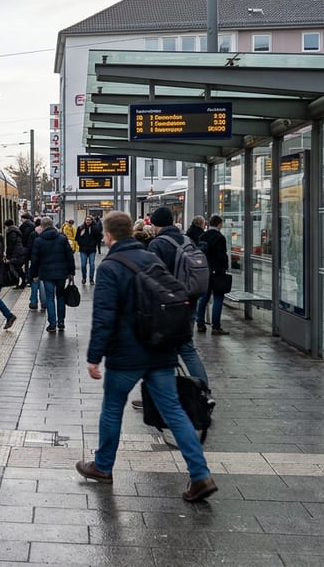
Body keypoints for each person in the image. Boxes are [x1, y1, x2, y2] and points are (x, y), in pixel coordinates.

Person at [75, 210, 217, 502]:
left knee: (113, 408)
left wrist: (93, 357)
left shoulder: (110, 267)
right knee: (175, 412)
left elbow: (104, 316)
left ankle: (102, 466)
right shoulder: (152, 258)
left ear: (109, 235)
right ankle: (200, 475)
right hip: (160, 349)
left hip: (126, 356)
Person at [145, 206, 212, 396]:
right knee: (187, 348)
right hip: (189, 300)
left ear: (156, 224)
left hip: (168, 306)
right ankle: (204, 392)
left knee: (160, 349)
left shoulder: (157, 244)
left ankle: (160, 397)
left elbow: (154, 278)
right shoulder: (186, 239)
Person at [29, 217, 75, 331]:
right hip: (61, 273)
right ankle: (61, 322)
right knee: (60, 296)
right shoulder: (62, 238)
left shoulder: (38, 241)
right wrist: (71, 272)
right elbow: (70, 256)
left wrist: (34, 274)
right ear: (53, 225)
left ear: (42, 226)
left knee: (50, 297)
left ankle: (52, 324)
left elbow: (34, 260)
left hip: (46, 273)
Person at [197, 214, 230, 335]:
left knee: (204, 298)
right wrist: (224, 267)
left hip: (205, 270)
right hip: (217, 271)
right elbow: (222, 256)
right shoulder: (219, 237)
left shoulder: (203, 236)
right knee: (218, 298)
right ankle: (216, 326)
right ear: (219, 224)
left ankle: (200, 323)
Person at [74, 216, 102, 285]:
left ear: (92, 221)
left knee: (92, 265)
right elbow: (77, 238)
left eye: (89, 220)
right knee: (83, 265)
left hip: (92, 249)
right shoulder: (81, 228)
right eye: (87, 220)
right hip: (83, 249)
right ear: (85, 220)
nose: (88, 221)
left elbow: (99, 237)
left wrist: (95, 243)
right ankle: (84, 278)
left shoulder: (95, 228)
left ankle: (91, 279)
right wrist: (81, 236)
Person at [3, 218, 26, 289]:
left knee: (16, 268)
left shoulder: (11, 232)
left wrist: (7, 255)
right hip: (19, 252)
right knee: (17, 268)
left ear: (7, 225)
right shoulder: (15, 230)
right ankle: (20, 282)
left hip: (16, 253)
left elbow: (11, 245)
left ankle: (22, 281)